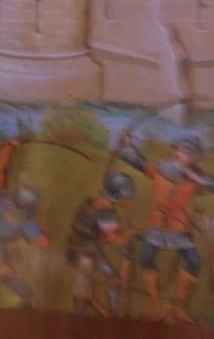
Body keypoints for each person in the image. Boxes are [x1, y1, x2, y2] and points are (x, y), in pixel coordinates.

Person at [118, 133, 214, 323]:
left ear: (193, 158)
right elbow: (138, 162)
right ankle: (155, 303)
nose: (181, 155)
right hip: (157, 224)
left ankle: (178, 306)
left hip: (179, 226)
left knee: (194, 262)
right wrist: (127, 145)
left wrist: (195, 177)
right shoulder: (161, 168)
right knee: (146, 258)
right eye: (180, 150)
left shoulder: (197, 178)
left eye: (187, 153)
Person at [0, 137, 49, 306]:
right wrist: (42, 229)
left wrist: (10, 146)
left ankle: (9, 292)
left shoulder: (0, 196)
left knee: (1, 275)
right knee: (0, 274)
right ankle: (8, 295)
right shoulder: (26, 223)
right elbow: (43, 243)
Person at [67, 172, 136, 317]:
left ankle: (84, 313)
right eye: (127, 195)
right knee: (113, 278)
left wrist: (117, 232)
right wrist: (129, 234)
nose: (129, 199)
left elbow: (98, 229)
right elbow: (114, 240)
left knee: (84, 290)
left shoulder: (91, 201)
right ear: (119, 195)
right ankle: (113, 316)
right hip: (86, 254)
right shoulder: (106, 210)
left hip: (75, 248)